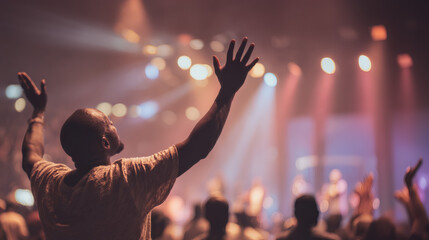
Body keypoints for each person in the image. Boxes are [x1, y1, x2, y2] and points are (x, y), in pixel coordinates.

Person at [17, 38, 259, 240]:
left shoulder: (50, 183)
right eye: (109, 124)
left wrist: (37, 113)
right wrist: (227, 91)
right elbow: (197, 148)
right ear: (105, 143)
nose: (115, 125)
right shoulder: (125, 180)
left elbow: (30, 156)